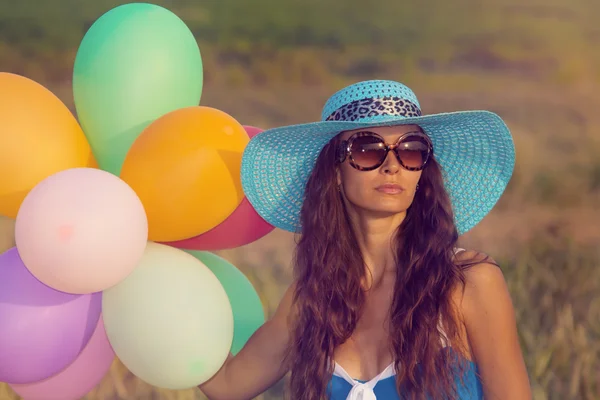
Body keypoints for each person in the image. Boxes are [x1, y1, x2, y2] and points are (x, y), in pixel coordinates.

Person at [199, 80, 532, 399]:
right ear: (335, 171)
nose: (392, 166)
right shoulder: (312, 298)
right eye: (367, 149)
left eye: (411, 150)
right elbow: (227, 384)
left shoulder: (468, 282)